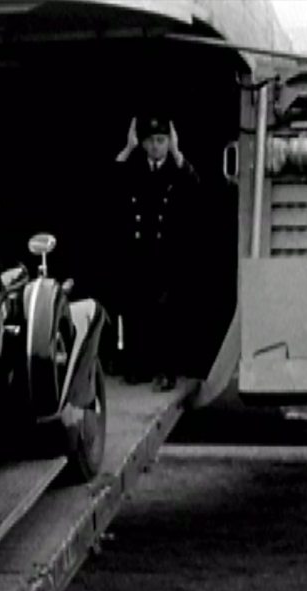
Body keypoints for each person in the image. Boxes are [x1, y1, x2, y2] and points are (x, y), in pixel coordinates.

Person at [108, 114, 199, 391]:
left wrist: (178, 154)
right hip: (139, 255)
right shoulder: (135, 171)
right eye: (151, 141)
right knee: (137, 313)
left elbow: (196, 188)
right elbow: (109, 184)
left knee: (167, 317)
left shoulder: (176, 171)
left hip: (168, 257)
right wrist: (127, 149)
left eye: (162, 141)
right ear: (144, 144)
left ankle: (166, 371)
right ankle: (138, 367)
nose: (157, 147)